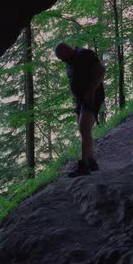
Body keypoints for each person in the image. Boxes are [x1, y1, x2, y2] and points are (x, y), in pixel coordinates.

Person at [55, 42, 106, 177]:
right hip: (80, 101)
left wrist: (91, 90)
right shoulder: (69, 62)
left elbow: (101, 70)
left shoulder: (84, 54)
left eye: (61, 57)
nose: (61, 60)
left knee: (84, 129)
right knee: (83, 131)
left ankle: (84, 166)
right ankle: (91, 161)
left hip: (92, 97)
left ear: (66, 49)